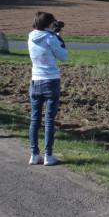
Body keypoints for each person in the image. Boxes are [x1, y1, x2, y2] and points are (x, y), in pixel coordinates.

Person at [27, 11, 68, 165]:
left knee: (34, 118)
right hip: (51, 80)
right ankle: (48, 155)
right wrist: (58, 37)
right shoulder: (51, 38)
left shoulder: (31, 37)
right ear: (49, 24)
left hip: (36, 80)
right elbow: (64, 57)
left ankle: (34, 153)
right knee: (49, 119)